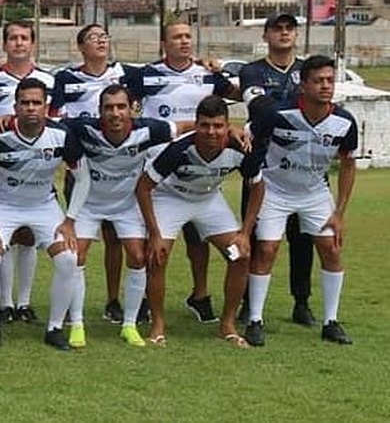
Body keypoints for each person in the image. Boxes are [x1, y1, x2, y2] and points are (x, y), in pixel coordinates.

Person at [128, 22, 239, 327]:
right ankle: (143, 303)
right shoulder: (145, 75)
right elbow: (118, 99)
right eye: (177, 37)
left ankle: (200, 296)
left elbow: (242, 93)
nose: (184, 41)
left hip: (202, 170)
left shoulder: (207, 75)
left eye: (188, 36)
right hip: (160, 173)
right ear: (164, 42)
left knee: (198, 240)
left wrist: (222, 71)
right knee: (152, 243)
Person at [243, 55, 357, 347]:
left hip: (315, 193)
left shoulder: (344, 122)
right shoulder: (277, 114)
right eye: (318, 81)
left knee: (331, 250)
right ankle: (255, 320)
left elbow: (347, 164)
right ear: (303, 85)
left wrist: (340, 212)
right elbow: (248, 137)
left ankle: (331, 321)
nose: (325, 86)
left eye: (330, 80)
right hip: (274, 191)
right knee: (266, 251)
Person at [135, 95, 262, 347]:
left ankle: (227, 324)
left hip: (208, 200)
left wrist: (245, 232)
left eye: (217, 126)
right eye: (204, 125)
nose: (211, 132)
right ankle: (158, 323)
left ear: (227, 126)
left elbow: (258, 187)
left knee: (241, 256)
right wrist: (155, 234)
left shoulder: (240, 148)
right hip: (170, 198)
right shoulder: (179, 149)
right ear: (196, 125)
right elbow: (143, 188)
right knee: (158, 256)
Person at [58, 84, 177, 348]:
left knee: (137, 256)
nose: (115, 113)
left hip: (126, 204)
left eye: (121, 107)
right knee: (76, 255)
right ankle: (77, 324)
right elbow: (46, 123)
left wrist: (231, 130)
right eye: (108, 108)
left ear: (131, 109)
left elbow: (183, 127)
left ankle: (130, 325)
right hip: (89, 203)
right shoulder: (83, 128)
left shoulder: (149, 129)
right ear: (99, 111)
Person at [0, 78, 81, 351]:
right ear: (15, 106)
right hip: (2, 204)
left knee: (69, 259)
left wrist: (69, 221)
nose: (31, 108)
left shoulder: (63, 135)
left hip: (44, 205)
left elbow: (84, 177)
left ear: (46, 106)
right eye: (25, 103)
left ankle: (54, 328)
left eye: (36, 103)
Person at [0, 21, 55, 331]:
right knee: (4, 236)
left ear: (32, 43)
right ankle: (4, 302)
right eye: (13, 38)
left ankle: (24, 301)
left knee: (29, 236)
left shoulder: (48, 79)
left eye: (24, 38)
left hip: (34, 166)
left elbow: (55, 121)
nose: (19, 43)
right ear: (4, 44)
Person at [51, 23, 134, 326]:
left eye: (104, 36)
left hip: (118, 170)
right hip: (83, 169)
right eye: (92, 38)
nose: (100, 41)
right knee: (78, 241)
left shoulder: (125, 73)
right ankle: (74, 310)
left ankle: (113, 300)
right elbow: (54, 117)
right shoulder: (64, 78)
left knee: (115, 238)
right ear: (80, 47)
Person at [238, 13, 315, 326]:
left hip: (304, 167)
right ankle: (247, 303)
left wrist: (282, 102)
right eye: (277, 29)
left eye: (289, 29)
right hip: (263, 167)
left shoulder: (309, 69)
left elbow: (319, 106)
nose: (284, 33)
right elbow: (260, 108)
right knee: (254, 238)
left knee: (303, 239)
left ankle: (301, 303)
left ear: (296, 34)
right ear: (265, 36)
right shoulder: (251, 70)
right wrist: (298, 102)